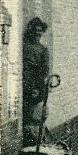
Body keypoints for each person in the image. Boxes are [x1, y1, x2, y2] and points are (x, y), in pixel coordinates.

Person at [21, 17, 51, 147]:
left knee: (37, 114)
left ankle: (36, 141)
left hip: (36, 84)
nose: (38, 33)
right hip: (25, 83)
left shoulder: (43, 49)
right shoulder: (25, 47)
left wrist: (37, 87)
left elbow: (44, 70)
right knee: (26, 113)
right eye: (35, 30)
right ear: (31, 32)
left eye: (40, 31)